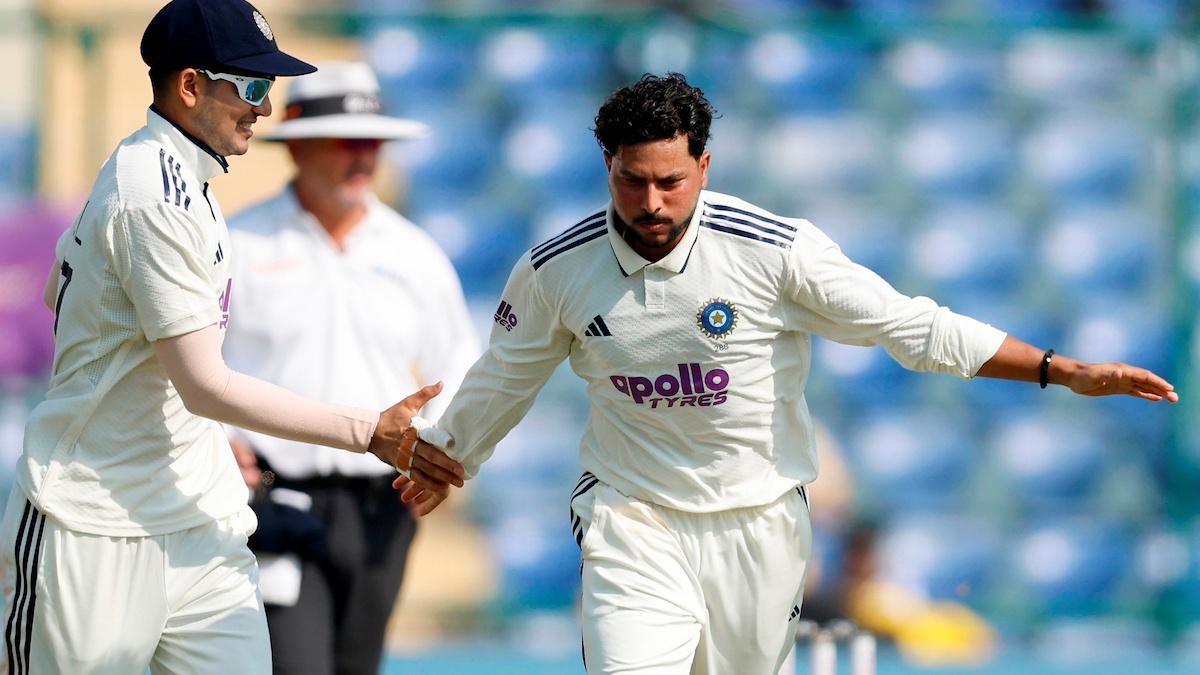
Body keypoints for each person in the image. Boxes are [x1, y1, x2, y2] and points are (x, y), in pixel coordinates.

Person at [401, 73, 1179, 675]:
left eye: (671, 181)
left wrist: (1060, 370)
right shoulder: (557, 268)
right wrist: (447, 454)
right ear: (607, 164)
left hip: (760, 520)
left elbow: (909, 326)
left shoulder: (773, 249)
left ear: (705, 165)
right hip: (632, 518)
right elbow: (505, 376)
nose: (652, 202)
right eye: (632, 180)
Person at [0, 3, 462, 673]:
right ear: (190, 86)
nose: (264, 107)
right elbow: (205, 385)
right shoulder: (154, 192)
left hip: (196, 513)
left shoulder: (177, 177)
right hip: (95, 521)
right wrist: (370, 431)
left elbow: (59, 293)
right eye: (250, 86)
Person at [221, 61, 479, 675]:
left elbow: (460, 364)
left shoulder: (415, 252)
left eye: (372, 142)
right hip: (273, 496)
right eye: (344, 141)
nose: (363, 157)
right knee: (296, 663)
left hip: (382, 505)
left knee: (358, 664)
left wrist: (441, 452)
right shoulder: (238, 244)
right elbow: (188, 364)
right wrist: (219, 442)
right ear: (298, 148)